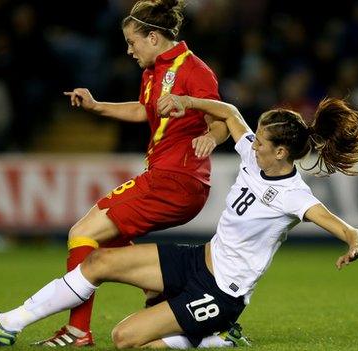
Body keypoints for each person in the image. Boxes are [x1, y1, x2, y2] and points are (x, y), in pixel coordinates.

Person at [0, 95, 358, 348]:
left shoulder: (294, 195)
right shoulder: (251, 153)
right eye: (255, 138)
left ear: (281, 153)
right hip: (197, 261)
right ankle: (8, 323)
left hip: (222, 294)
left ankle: (214, 337)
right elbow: (228, 111)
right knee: (95, 263)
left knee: (126, 338)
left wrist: (354, 240)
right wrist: (188, 103)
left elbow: (338, 224)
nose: (251, 143)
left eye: (260, 142)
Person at [44, 0, 229, 346]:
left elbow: (221, 119)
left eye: (133, 42)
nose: (129, 50)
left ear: (155, 37)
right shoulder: (151, 73)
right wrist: (97, 106)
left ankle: (78, 330)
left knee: (81, 231)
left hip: (176, 179)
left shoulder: (195, 70)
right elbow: (143, 111)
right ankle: (169, 288)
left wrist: (210, 138)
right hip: (167, 177)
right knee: (103, 243)